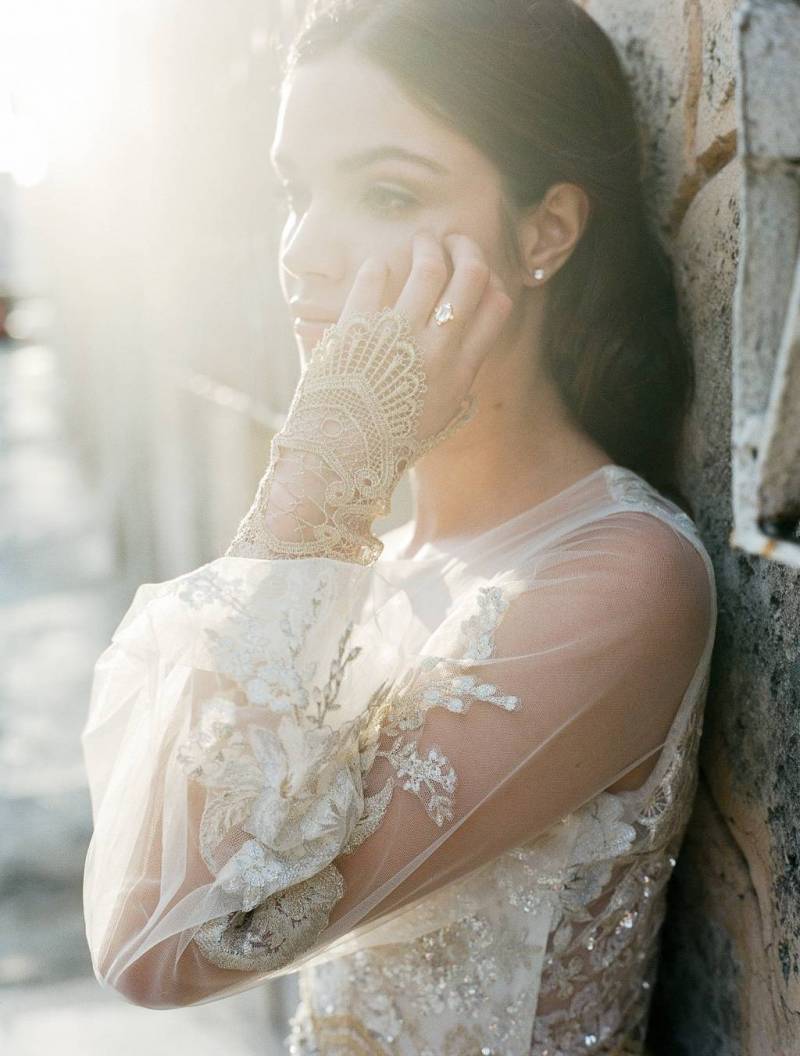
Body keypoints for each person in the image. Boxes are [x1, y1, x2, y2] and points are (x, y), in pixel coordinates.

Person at [81, 1, 718, 1053]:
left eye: (385, 192)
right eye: (295, 192)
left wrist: (323, 475)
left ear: (542, 232)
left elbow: (167, 944)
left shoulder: (619, 577)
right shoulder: (371, 556)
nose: (304, 253)